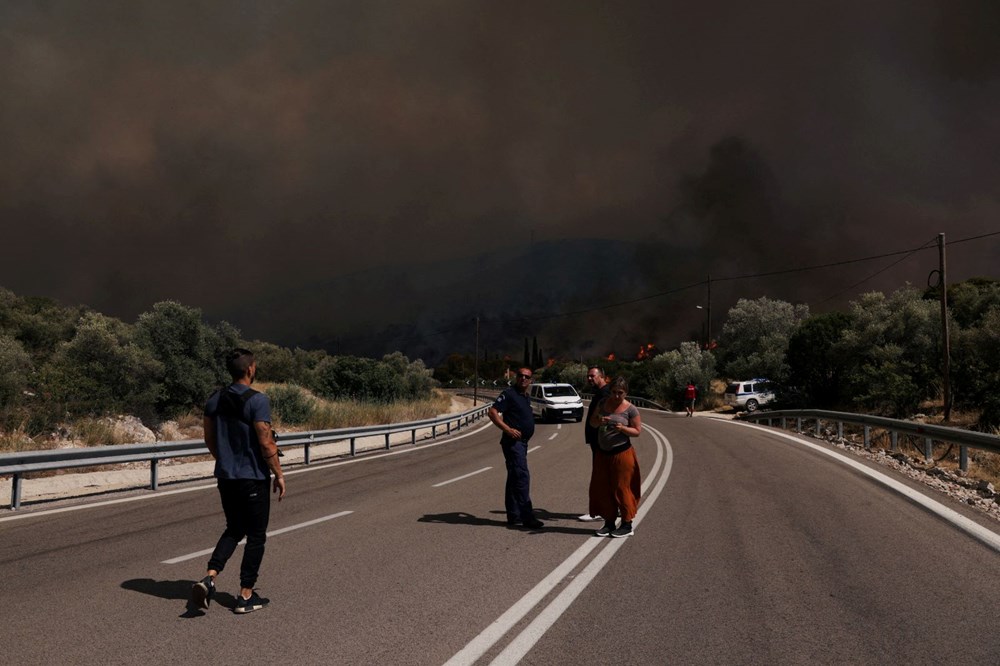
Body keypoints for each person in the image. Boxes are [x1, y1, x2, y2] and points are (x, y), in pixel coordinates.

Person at [190, 348, 286, 614]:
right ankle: (245, 595)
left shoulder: (214, 400)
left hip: (226, 476)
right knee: (256, 536)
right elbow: (266, 443)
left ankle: (210, 577)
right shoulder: (258, 400)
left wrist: (226, 460)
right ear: (251, 369)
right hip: (252, 478)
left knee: (234, 528)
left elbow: (209, 439)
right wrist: (278, 473)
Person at [488, 367, 543, 529]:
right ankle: (527, 517)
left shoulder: (525, 396)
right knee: (522, 477)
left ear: (531, 380)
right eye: (521, 376)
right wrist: (508, 429)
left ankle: (514, 515)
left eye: (527, 377)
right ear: (516, 377)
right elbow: (492, 412)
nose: (524, 379)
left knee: (514, 478)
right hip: (513, 444)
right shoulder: (509, 394)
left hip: (522, 443)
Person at [588, 376, 642, 538]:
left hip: (622, 453)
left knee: (622, 487)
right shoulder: (603, 403)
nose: (616, 396)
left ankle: (627, 524)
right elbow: (592, 423)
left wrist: (623, 429)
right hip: (602, 453)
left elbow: (637, 431)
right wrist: (600, 419)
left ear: (626, 393)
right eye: (614, 392)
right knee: (604, 488)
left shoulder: (631, 409)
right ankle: (609, 523)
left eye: (620, 393)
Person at [579, 366, 611, 521]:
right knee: (604, 475)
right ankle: (610, 508)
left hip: (601, 442)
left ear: (601, 376)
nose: (589, 379)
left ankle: (599, 511)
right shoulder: (600, 393)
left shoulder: (605, 393)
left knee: (600, 476)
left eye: (592, 376)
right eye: (588, 376)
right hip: (598, 441)